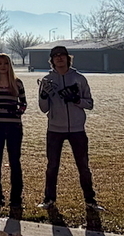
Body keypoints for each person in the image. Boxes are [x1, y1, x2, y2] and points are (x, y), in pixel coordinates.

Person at [37, 45, 103, 212]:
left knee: (83, 166)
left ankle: (90, 200)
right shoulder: (46, 80)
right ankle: (49, 199)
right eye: (56, 56)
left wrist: (76, 100)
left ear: (68, 58)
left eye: (62, 55)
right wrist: (44, 95)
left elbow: (90, 104)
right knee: (52, 166)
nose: (59, 58)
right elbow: (43, 108)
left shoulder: (79, 78)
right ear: (51, 60)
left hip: (77, 129)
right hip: (54, 129)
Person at [0, 53, 27, 218]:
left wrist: (18, 111)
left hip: (14, 126)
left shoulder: (17, 83)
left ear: (10, 65)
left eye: (5, 63)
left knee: (15, 161)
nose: (3, 66)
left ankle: (16, 198)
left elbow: (23, 103)